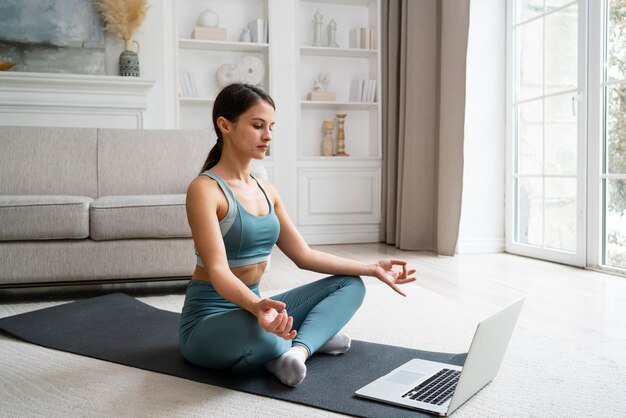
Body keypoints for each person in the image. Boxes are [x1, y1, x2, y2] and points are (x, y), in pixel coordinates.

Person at [179, 83, 416, 387]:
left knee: (351, 285)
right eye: (257, 126)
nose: (268, 136)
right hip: (207, 323)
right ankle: (304, 339)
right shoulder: (205, 189)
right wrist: (256, 307)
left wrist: (372, 269)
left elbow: (303, 255)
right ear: (224, 125)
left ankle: (298, 352)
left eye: (271, 127)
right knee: (267, 337)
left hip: (255, 310)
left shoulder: (267, 190)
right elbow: (218, 271)